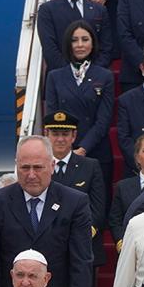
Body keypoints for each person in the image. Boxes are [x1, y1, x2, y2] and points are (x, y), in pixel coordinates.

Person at [0, 136, 95, 287]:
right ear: (16, 166)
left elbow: (81, 262)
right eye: (25, 168)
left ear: (52, 166)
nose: (31, 175)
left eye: (38, 167)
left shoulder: (75, 203)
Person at [44, 21, 116, 197]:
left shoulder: (104, 76)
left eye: (85, 39)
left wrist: (83, 148)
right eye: (75, 40)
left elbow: (103, 120)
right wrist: (68, 149)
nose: (80, 45)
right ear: (68, 44)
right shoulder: (55, 76)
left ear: (93, 43)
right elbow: (51, 116)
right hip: (64, 152)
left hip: (96, 151)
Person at [45, 112, 107, 278]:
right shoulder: (40, 167)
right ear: (46, 135)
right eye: (55, 134)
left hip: (84, 244)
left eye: (65, 134)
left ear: (73, 136)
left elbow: (98, 208)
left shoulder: (90, 166)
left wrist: (82, 234)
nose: (60, 139)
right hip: (48, 246)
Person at [37, 0, 112, 70]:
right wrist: (73, 76)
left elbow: (106, 48)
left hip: (95, 80)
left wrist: (90, 73)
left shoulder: (100, 10)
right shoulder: (47, 10)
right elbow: (50, 50)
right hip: (61, 79)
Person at [109, 133, 144, 250]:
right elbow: (115, 220)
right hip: (129, 246)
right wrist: (122, 244)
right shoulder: (123, 186)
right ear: (137, 157)